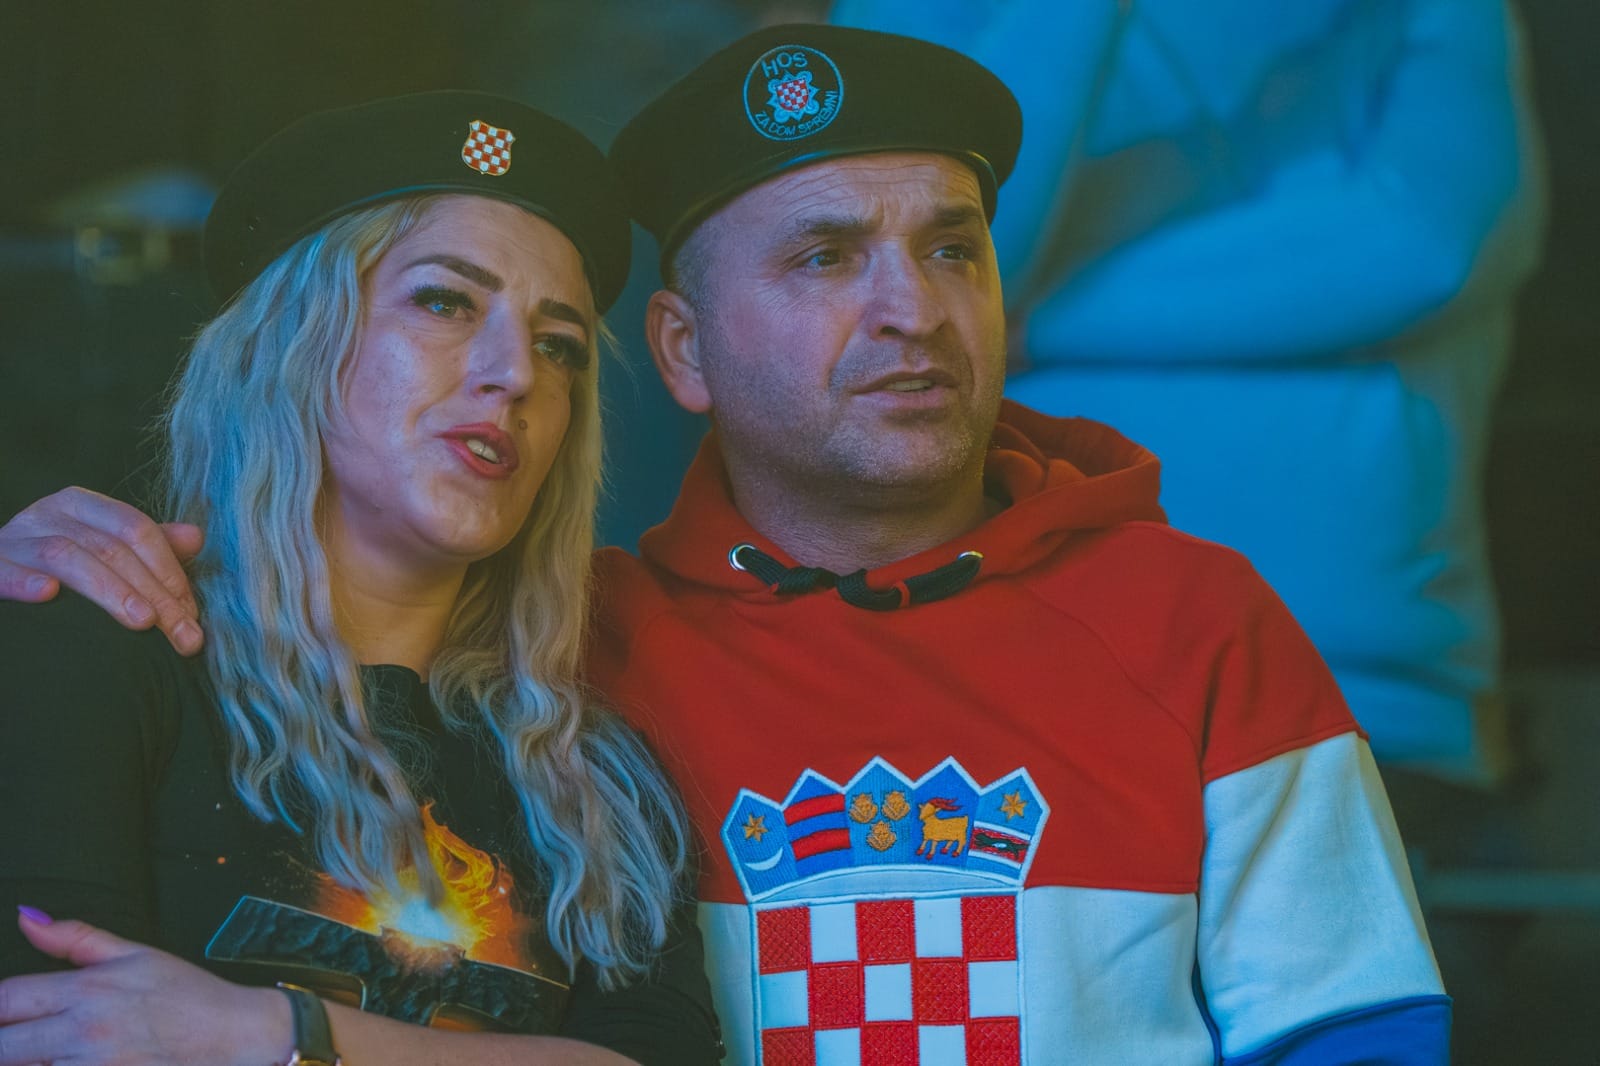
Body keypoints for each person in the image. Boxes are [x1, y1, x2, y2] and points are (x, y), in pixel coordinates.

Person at [0, 27, 1445, 1064]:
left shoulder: (1191, 616)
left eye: (952, 248)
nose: (913, 310)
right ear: (683, 350)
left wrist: (282, 1035)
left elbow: (1357, 1030)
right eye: (824, 256)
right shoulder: (592, 655)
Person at [0, 91, 720, 1066]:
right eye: (444, 301)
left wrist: (288, 1035)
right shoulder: (93, 654)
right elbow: (46, 1027)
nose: (515, 372)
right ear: (292, 341)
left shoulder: (601, 780)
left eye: (558, 346)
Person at [829, 0, 1546, 786]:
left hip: (1366, 708)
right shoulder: (915, 14)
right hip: (1014, 704)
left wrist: (1036, 321)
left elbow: (1421, 249)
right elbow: (920, 276)